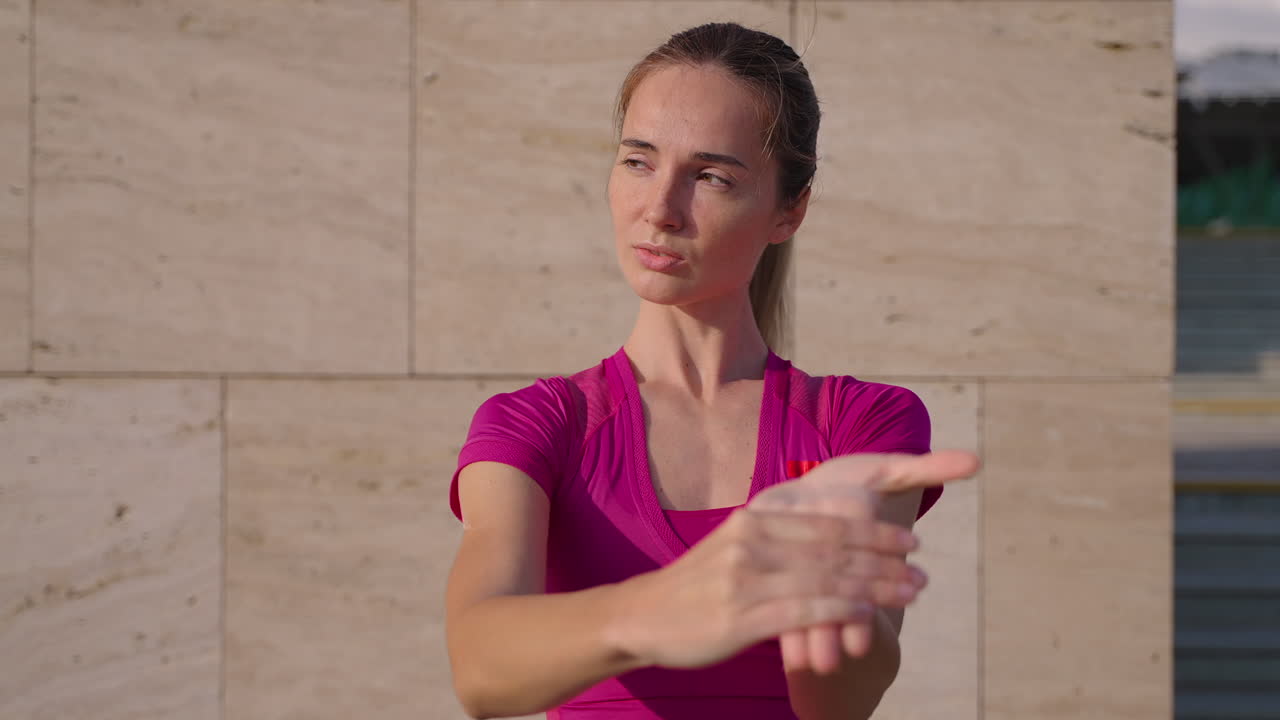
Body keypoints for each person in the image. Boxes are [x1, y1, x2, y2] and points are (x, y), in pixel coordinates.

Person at [443, 22, 980, 720]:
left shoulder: (861, 423)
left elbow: (840, 705)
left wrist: (822, 589)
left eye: (711, 177)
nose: (659, 210)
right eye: (638, 161)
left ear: (790, 209)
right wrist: (661, 609)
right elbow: (481, 671)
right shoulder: (538, 425)